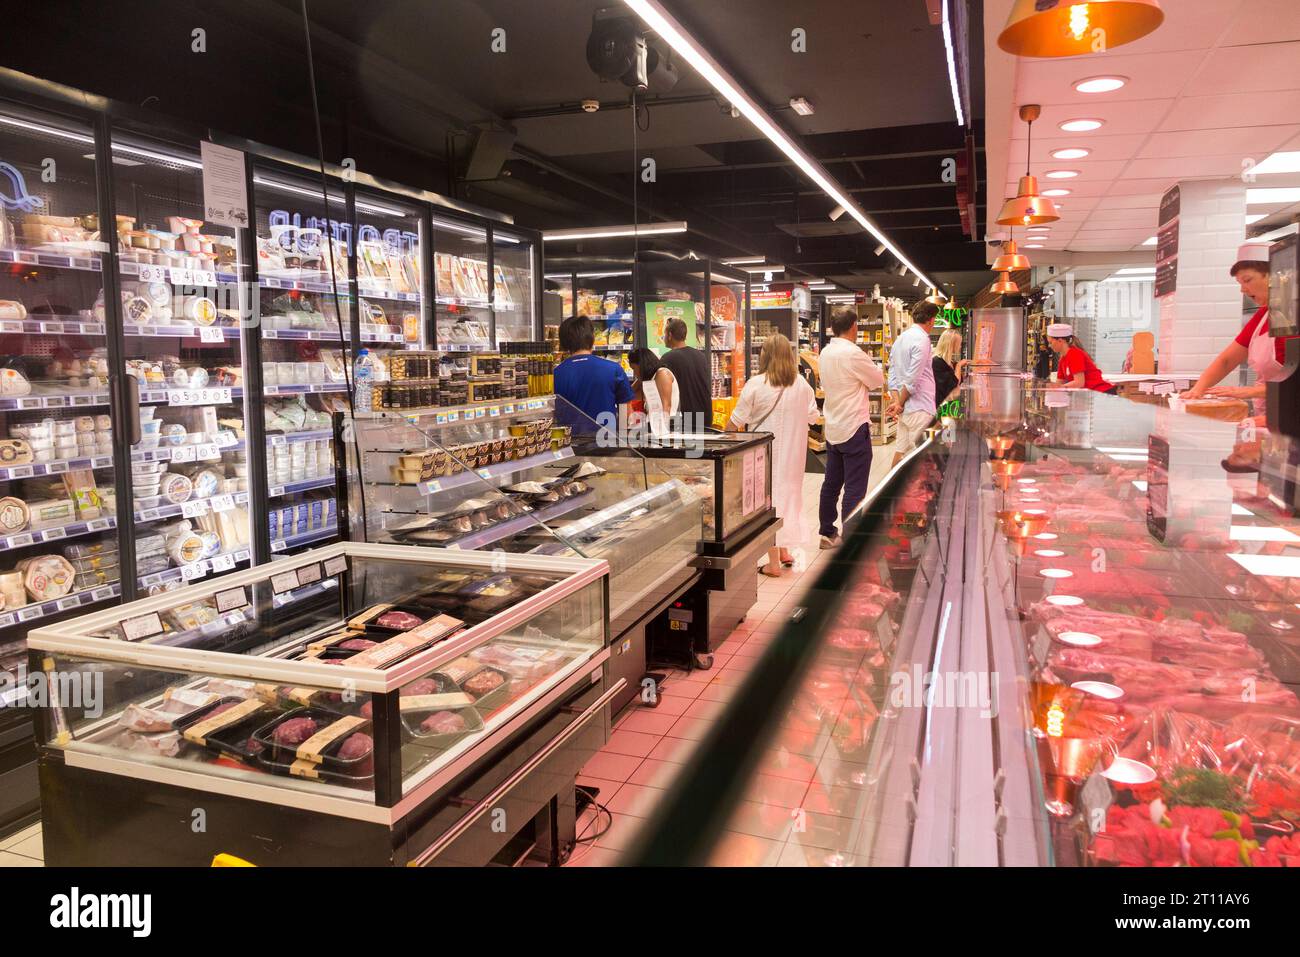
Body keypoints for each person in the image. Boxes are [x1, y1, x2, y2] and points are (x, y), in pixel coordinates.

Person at [728, 333, 819, 577]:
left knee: (767, 503)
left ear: (764, 356)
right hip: (793, 456)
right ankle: (785, 551)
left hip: (762, 455)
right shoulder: (801, 384)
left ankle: (773, 564)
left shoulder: (756, 384)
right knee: (789, 498)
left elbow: (737, 420)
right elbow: (813, 416)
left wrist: (723, 438)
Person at [817, 306, 884, 549]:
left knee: (831, 484)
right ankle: (852, 538)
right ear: (854, 326)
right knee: (855, 488)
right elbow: (877, 380)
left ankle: (826, 533)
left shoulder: (825, 353)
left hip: (834, 428)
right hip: (854, 426)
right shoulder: (853, 353)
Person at [1184, 242, 1283, 402]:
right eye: (1240, 283)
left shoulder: (1293, 317)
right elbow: (1226, 361)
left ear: (1275, 275)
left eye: (1248, 280)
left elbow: (1294, 383)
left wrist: (1251, 392)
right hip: (1270, 410)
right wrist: (1197, 390)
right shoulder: (1263, 315)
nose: (1243, 289)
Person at [553, 315, 634, 432]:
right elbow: (626, 413)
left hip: (569, 445)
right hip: (606, 443)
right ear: (592, 338)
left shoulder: (555, 374)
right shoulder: (613, 369)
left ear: (563, 342)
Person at [886, 301, 939, 466]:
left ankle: (891, 488)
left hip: (905, 410)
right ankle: (917, 491)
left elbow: (892, 374)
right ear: (931, 320)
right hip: (920, 407)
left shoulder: (900, 339)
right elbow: (912, 380)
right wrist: (899, 403)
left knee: (900, 450)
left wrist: (896, 402)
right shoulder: (922, 339)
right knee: (923, 457)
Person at [658, 316, 712, 431]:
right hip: (705, 416)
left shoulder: (668, 358)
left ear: (670, 335)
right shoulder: (700, 356)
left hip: (685, 419)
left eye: (665, 334)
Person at [1044, 323, 1116, 394]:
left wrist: (1060, 388)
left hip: (1102, 393)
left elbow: (1079, 383)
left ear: (1060, 341)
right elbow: (1059, 382)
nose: (1049, 346)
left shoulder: (1074, 354)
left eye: (1050, 342)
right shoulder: (1063, 360)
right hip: (1089, 395)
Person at [627, 347, 680, 436]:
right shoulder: (652, 377)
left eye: (634, 368)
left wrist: (660, 433)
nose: (634, 372)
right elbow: (629, 394)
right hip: (654, 426)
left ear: (641, 365)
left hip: (667, 426)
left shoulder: (662, 373)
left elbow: (666, 407)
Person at [932, 328, 969, 406]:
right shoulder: (936, 362)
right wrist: (959, 366)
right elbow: (953, 385)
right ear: (951, 344)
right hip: (937, 405)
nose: (960, 346)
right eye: (959, 343)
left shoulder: (950, 362)